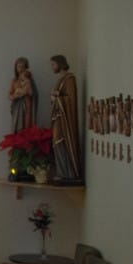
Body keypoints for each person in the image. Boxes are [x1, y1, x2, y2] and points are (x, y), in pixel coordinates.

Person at [49, 54, 81, 182]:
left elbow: (70, 100)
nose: (52, 67)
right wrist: (55, 98)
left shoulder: (69, 79)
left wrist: (56, 96)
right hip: (58, 116)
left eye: (53, 64)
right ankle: (62, 172)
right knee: (56, 141)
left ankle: (68, 173)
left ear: (60, 64)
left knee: (61, 140)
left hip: (65, 118)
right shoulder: (60, 79)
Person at [7, 56, 37, 133]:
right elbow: (10, 95)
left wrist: (26, 92)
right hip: (17, 106)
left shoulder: (29, 80)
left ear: (26, 68)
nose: (20, 69)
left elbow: (33, 94)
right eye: (18, 66)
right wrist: (15, 96)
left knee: (26, 125)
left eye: (22, 67)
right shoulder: (14, 81)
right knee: (17, 125)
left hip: (27, 106)